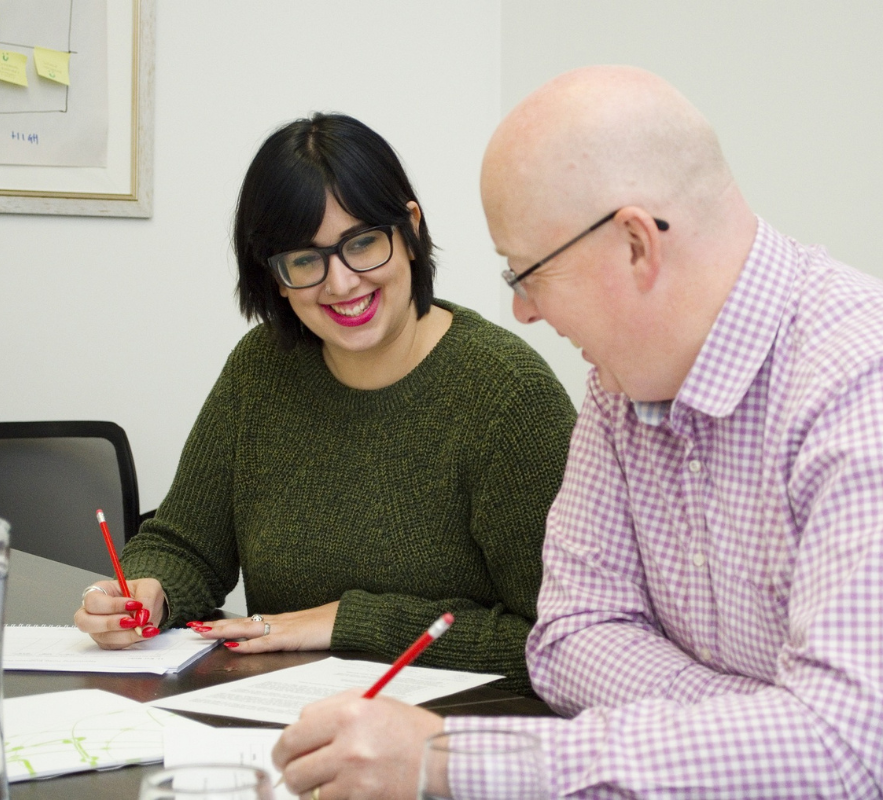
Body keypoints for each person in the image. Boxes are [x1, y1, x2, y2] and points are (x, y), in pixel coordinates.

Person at [269, 68, 883, 799]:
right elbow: (569, 639)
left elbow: (839, 762)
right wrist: (780, 731)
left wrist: (450, 761)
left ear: (635, 243)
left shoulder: (881, 380)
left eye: (526, 272)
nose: (522, 310)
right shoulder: (621, 384)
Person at [74, 113, 576, 696]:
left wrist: (350, 621)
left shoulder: (507, 395)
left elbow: (564, 641)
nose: (340, 284)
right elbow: (186, 543)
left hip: (452, 746)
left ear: (410, 230)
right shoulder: (261, 369)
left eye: (362, 243)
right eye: (305, 260)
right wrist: (145, 588)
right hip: (285, 727)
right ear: (276, 278)